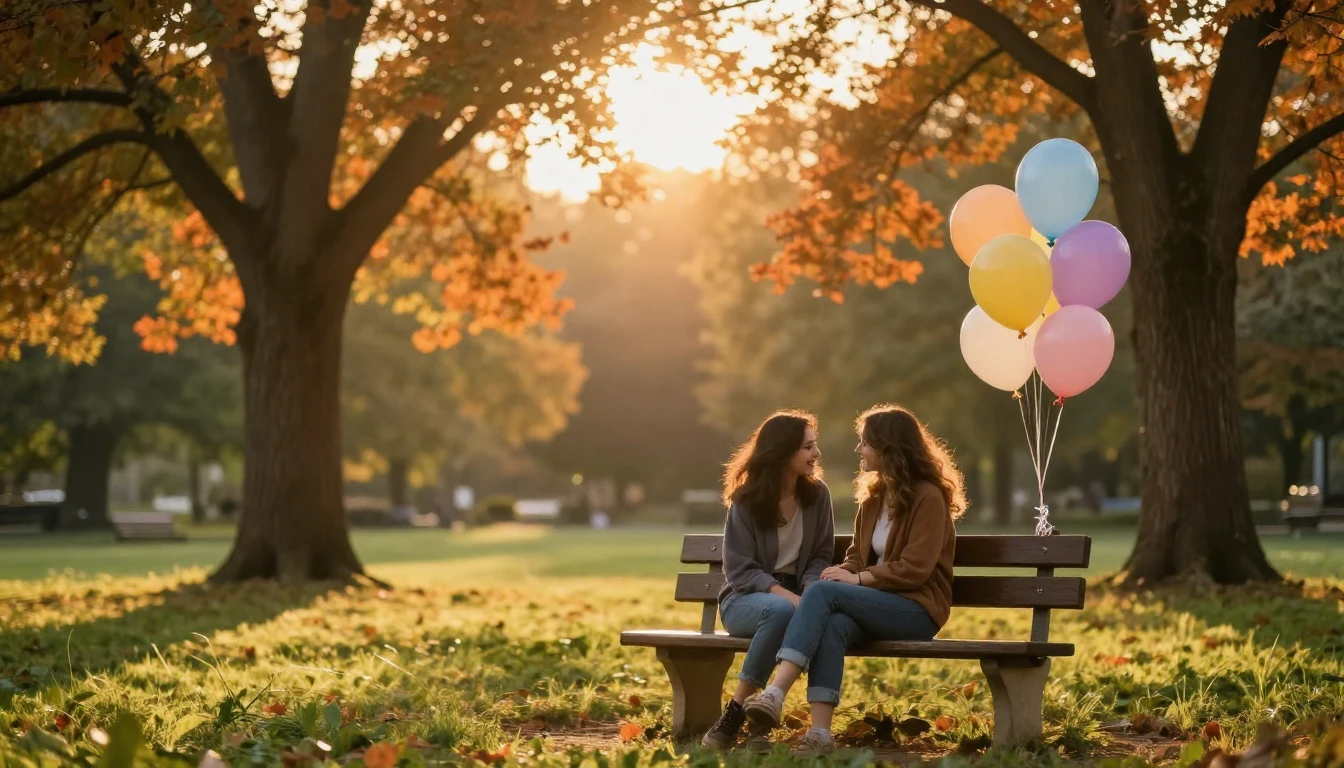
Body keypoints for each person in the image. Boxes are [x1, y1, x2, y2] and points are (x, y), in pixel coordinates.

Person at [742, 404, 965, 756]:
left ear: (888, 447)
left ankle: (776, 691)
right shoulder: (874, 499)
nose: (859, 449)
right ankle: (820, 733)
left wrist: (857, 580)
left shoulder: (928, 497)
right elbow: (858, 556)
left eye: (865, 443)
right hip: (878, 606)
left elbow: (916, 568)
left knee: (822, 593)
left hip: (917, 610)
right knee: (834, 624)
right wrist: (847, 571)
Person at [702, 409, 835, 749]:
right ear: (782, 451)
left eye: (814, 445)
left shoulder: (817, 495)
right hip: (745, 599)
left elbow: (821, 554)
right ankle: (736, 710)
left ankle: (756, 721)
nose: (816, 454)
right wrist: (787, 597)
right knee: (780, 611)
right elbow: (740, 569)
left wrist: (808, 591)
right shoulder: (746, 501)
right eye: (807, 447)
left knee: (794, 612)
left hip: (798, 595)